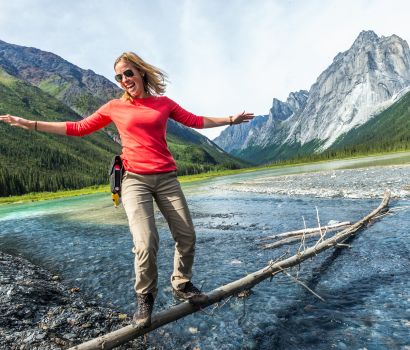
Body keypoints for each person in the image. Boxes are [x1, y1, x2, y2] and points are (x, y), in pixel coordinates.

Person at [0, 51, 254, 329]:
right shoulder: (114, 107)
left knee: (187, 235)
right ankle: (145, 296)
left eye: (128, 73)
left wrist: (230, 119)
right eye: (119, 77)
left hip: (167, 178)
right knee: (146, 243)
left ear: (141, 72)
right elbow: (78, 128)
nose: (124, 80)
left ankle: (181, 283)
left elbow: (195, 121)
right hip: (134, 180)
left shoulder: (163, 103)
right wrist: (31, 124)